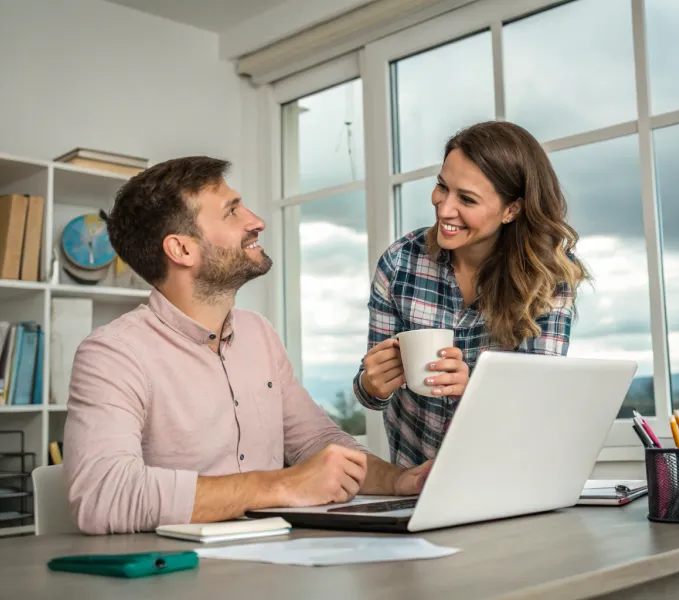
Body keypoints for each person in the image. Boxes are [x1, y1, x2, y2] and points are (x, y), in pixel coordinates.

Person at [63, 156, 431, 535]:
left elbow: (319, 444)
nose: (256, 220)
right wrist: (280, 485)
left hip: (276, 561)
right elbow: (103, 496)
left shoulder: (259, 334)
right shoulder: (113, 354)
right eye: (232, 211)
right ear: (182, 250)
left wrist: (400, 481)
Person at [353, 121, 589, 467]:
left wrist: (475, 389)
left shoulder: (548, 275)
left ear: (512, 210)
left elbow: (540, 404)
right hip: (415, 482)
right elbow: (371, 394)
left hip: (506, 475)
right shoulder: (401, 261)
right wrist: (371, 384)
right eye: (441, 187)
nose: (444, 209)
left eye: (466, 199)